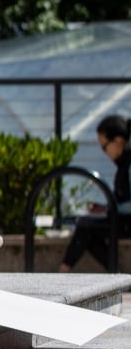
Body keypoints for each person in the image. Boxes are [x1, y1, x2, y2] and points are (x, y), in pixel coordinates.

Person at [59, 115, 131, 272]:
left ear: (118, 141)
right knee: (87, 227)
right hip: (124, 221)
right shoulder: (124, 163)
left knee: (86, 228)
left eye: (104, 146)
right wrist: (105, 208)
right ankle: (116, 274)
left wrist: (109, 209)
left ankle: (63, 270)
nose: (104, 152)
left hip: (127, 223)